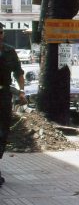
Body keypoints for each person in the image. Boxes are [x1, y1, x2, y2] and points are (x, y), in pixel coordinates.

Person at [0, 24, 26, 186]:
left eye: (1, 32)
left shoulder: (9, 51)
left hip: (3, 96)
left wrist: (22, 91)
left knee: (3, 131)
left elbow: (18, 72)